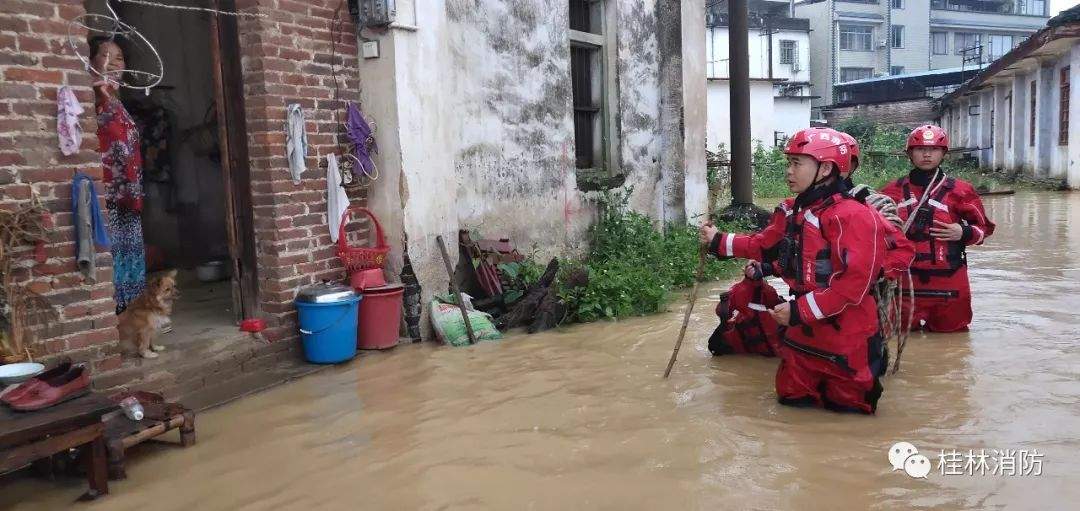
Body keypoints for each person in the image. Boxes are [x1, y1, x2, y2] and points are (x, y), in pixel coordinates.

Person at [700, 127, 885, 414]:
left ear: (825, 169)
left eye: (797, 163)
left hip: (847, 336)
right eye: (790, 163)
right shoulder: (796, 213)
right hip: (803, 334)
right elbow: (763, 245)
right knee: (792, 405)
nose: (788, 171)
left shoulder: (855, 216)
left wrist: (798, 311)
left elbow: (854, 285)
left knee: (848, 416)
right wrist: (719, 241)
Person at [880, 125, 995, 333]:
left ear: (943, 154)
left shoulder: (961, 191)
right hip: (904, 284)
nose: (926, 154)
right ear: (909, 154)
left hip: (949, 283)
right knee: (898, 338)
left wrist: (964, 232)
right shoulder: (891, 192)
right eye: (920, 149)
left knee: (953, 345)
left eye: (933, 149)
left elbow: (984, 229)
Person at [90, 36, 147, 314]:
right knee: (112, 258)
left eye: (119, 58)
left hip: (128, 196)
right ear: (90, 61)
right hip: (108, 196)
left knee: (129, 257)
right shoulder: (90, 97)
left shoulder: (117, 99)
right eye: (104, 55)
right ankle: (114, 320)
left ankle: (132, 318)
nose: (113, 63)